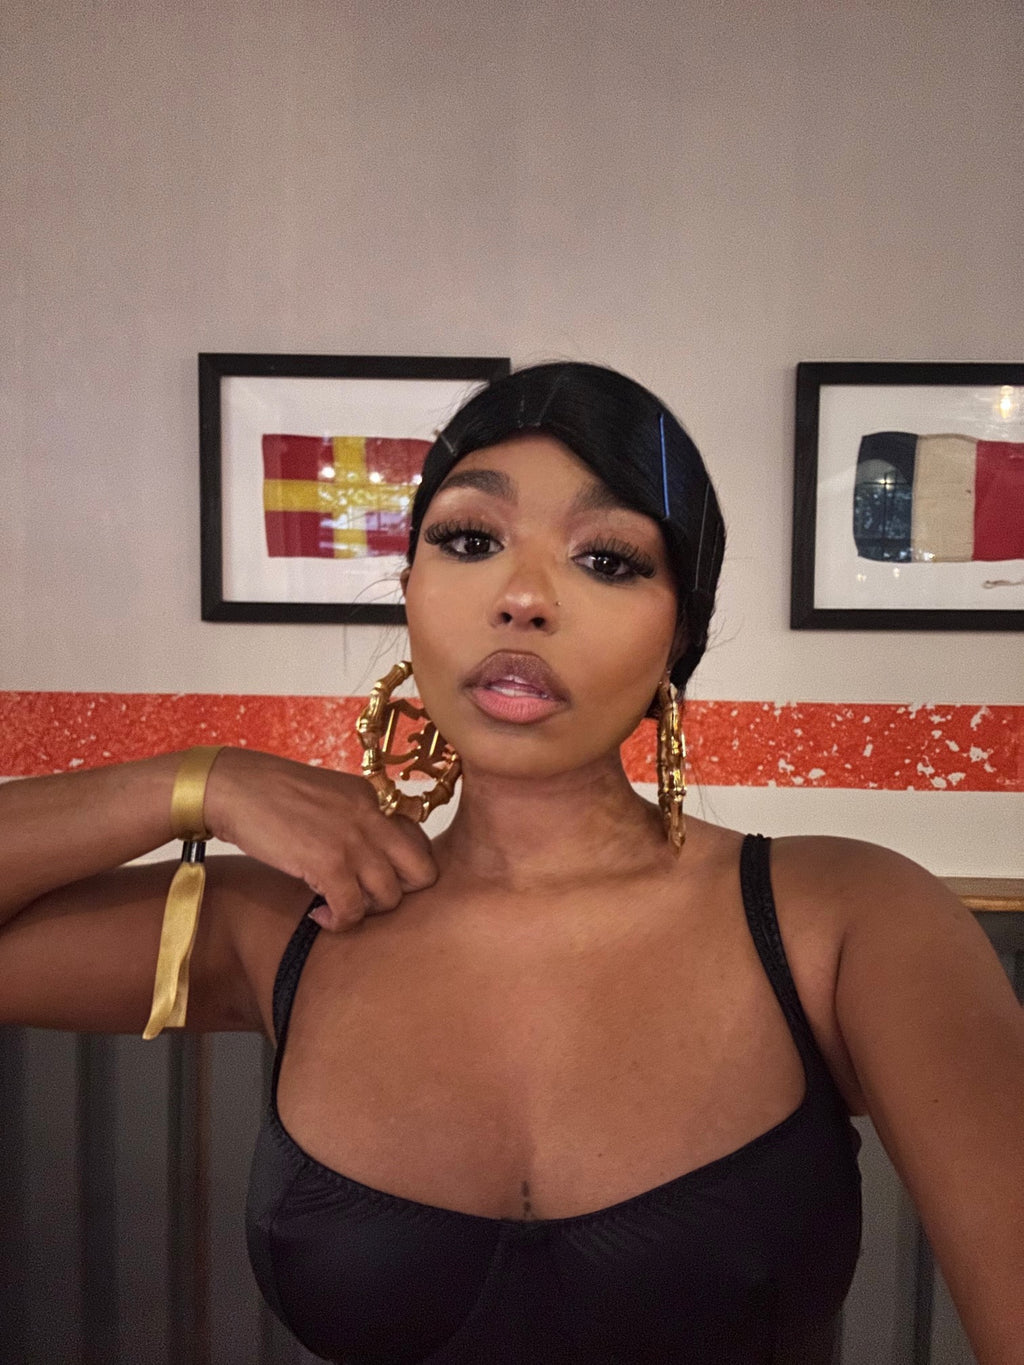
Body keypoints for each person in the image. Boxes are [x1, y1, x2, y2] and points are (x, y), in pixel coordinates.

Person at [1, 362, 1021, 1364]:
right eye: (469, 540)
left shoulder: (845, 920)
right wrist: (198, 782)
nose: (523, 596)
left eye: (608, 558)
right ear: (410, 591)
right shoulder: (283, 926)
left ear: (680, 633)